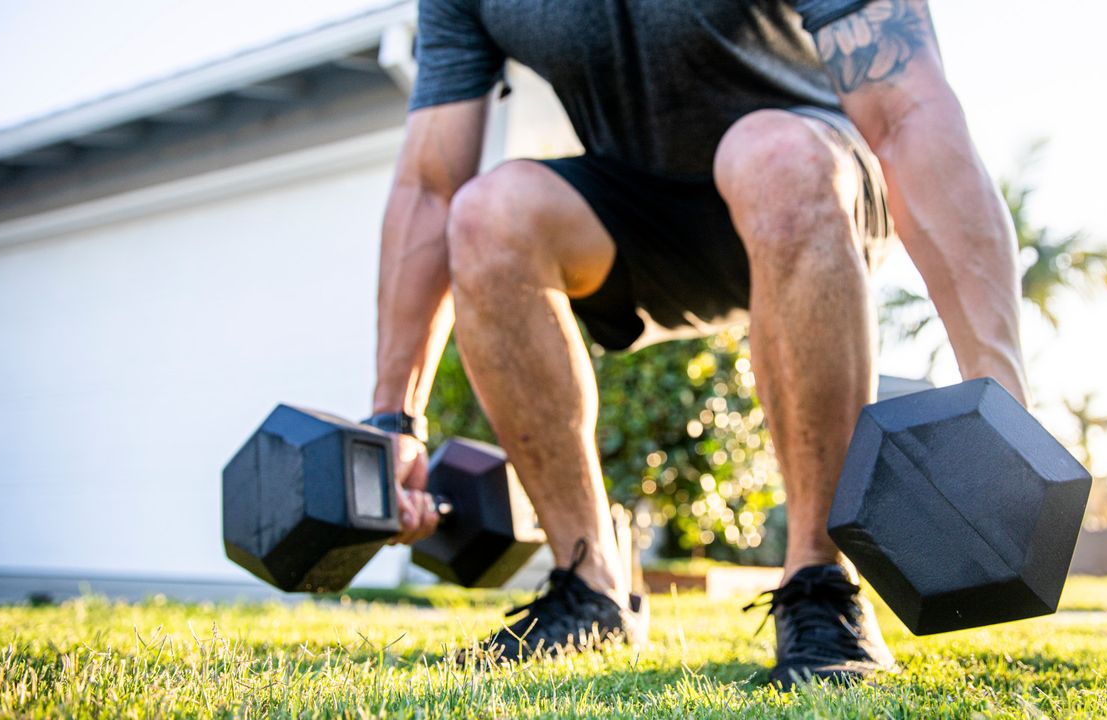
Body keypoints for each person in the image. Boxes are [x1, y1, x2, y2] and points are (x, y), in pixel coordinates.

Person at [367, 0, 1028, 686]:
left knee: (770, 153)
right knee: (485, 214)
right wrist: (392, 420)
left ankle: (819, 581)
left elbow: (907, 113)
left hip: (812, 178)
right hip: (643, 220)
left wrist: (997, 389)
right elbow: (430, 187)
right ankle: (590, 588)